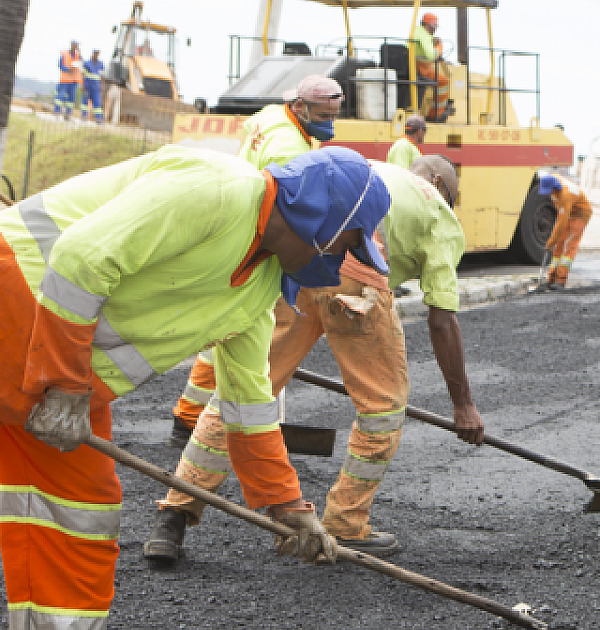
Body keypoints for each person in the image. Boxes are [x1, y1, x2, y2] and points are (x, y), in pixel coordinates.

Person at [0, 143, 391, 628]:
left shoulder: (258, 289)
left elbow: (249, 404)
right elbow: (81, 257)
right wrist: (62, 384)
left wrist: (288, 505)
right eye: (348, 245)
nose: (341, 264)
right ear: (322, 221)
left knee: (79, 515)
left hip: (47, 376)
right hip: (16, 307)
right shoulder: (217, 188)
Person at [144, 154, 483, 563]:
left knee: (242, 394)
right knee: (382, 410)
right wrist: (463, 406)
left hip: (298, 266)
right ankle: (346, 524)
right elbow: (442, 320)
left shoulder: (371, 170)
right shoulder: (439, 212)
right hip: (359, 285)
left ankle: (174, 515)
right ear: (439, 183)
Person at [167, 75, 345, 447]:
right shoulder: (288, 148)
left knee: (226, 328)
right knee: (256, 331)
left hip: (239, 227)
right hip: (256, 239)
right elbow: (289, 211)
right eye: (323, 115)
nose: (329, 123)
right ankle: (244, 429)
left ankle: (188, 414)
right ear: (300, 107)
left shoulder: (271, 116)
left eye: (333, 115)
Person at [536, 172, 593, 291]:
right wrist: (554, 241)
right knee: (559, 243)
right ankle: (551, 278)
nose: (549, 193)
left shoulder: (565, 195)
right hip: (569, 210)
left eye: (549, 190)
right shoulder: (554, 181)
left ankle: (560, 280)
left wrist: (551, 241)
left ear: (554, 186)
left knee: (569, 244)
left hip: (580, 213)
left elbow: (561, 222)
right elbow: (560, 218)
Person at [412, 12, 452, 121]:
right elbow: (431, 56)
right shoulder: (424, 35)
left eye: (435, 28)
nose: (433, 30)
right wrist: (439, 47)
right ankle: (435, 115)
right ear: (424, 25)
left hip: (415, 68)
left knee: (427, 83)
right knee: (443, 81)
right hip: (420, 69)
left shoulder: (416, 31)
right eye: (431, 27)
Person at [54, 40, 83, 119]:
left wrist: (80, 54)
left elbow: (82, 65)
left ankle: (68, 114)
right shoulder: (65, 54)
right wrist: (67, 69)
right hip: (65, 80)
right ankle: (57, 112)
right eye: (75, 45)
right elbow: (60, 65)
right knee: (61, 96)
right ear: (72, 45)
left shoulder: (78, 56)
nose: (76, 47)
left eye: (77, 46)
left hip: (74, 81)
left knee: (71, 99)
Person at [81, 49, 105, 123]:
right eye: (95, 53)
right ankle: (83, 116)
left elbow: (102, 76)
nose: (96, 54)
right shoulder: (86, 63)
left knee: (97, 102)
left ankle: (98, 119)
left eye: (97, 53)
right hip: (87, 85)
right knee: (85, 102)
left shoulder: (101, 64)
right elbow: (82, 75)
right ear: (92, 53)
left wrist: (102, 86)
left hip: (96, 86)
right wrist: (82, 85)